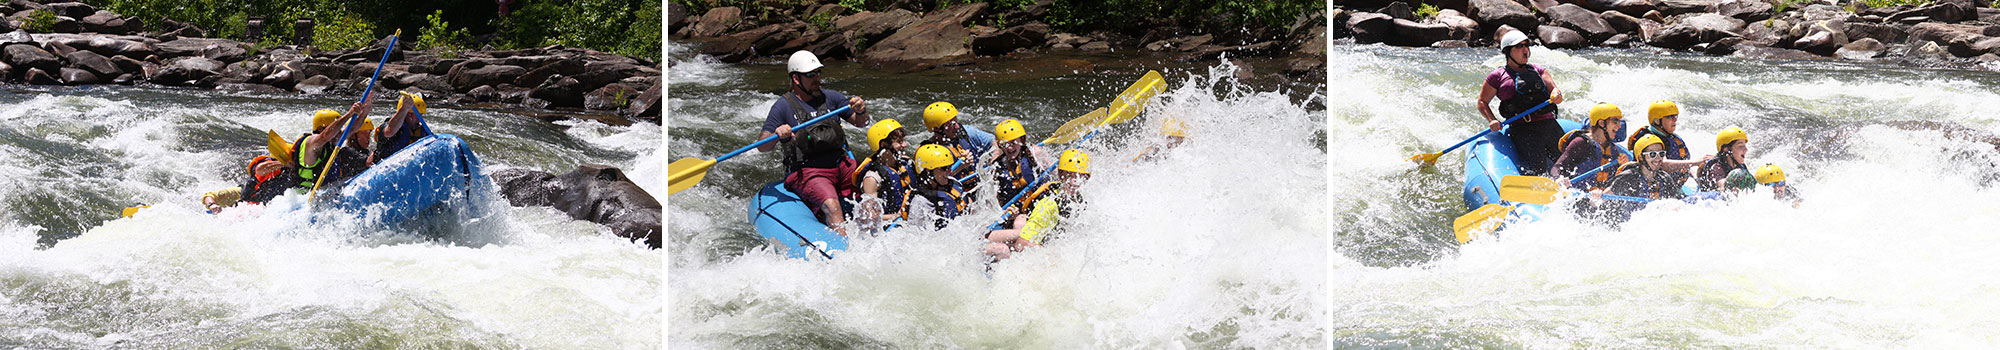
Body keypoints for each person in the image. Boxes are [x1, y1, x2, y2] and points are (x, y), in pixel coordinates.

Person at [759, 51, 872, 235]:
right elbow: (762, 146)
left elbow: (861, 122)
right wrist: (778, 133)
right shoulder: (783, 106)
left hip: (840, 164)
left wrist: (861, 110)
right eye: (811, 75)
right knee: (832, 206)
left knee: (871, 186)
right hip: (808, 171)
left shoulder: (832, 98)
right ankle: (847, 252)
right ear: (796, 78)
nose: (817, 79)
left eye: (818, 73)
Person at [1477, 29, 1566, 176]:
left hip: (1548, 125)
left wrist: (1557, 95)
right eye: (1519, 46)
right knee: (1538, 170)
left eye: (1526, 45)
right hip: (1523, 129)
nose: (1525, 49)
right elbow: (1482, 102)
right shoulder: (1497, 76)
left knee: (1568, 164)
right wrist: (1492, 120)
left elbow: (1556, 91)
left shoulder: (1538, 70)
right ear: (1508, 51)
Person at [984, 149, 1090, 261]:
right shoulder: (1049, 205)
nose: (1073, 181)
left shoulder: (1082, 201)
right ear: (1060, 175)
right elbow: (1022, 245)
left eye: (1078, 176)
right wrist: (1054, 256)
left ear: (1087, 178)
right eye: (1068, 175)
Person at [290, 103, 375, 194]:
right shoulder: (310, 143)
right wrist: (349, 114)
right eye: (336, 128)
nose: (339, 132)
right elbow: (324, 136)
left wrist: (364, 112)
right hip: (303, 197)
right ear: (320, 129)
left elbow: (352, 129)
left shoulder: (330, 142)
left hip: (323, 194)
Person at [1626, 100, 1711, 186]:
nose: (1675, 120)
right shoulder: (1649, 140)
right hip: (1650, 189)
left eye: (1676, 116)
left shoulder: (1671, 138)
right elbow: (1663, 165)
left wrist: (1696, 177)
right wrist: (1695, 162)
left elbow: (1681, 164)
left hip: (1672, 188)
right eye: (1670, 117)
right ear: (1657, 121)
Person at [855, 119, 917, 233]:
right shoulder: (872, 178)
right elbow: (869, 217)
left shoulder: (906, 163)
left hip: (909, 222)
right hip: (889, 229)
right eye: (899, 142)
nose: (905, 145)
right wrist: (897, 216)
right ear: (884, 145)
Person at [1551, 103, 1630, 191]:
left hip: (1598, 198)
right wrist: (1560, 178)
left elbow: (1613, 180)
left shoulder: (1613, 149)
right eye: (1615, 121)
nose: (1619, 126)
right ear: (1601, 123)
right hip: (1577, 196)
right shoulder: (1581, 143)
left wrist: (1621, 167)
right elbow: (1557, 167)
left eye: (1619, 121)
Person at [921, 101, 995, 177]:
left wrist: (993, 162)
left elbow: (996, 142)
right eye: (951, 124)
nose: (957, 126)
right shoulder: (928, 152)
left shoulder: (967, 132)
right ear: (937, 129)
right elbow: (935, 180)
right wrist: (961, 166)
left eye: (956, 121)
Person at [201, 155, 296, 213]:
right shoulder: (237, 196)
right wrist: (212, 206)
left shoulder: (237, 193)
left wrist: (284, 164)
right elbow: (208, 196)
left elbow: (260, 170)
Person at [911, 144, 967, 230]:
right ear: (928, 171)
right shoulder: (920, 202)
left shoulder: (954, 183)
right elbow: (915, 238)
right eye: (945, 168)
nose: (950, 171)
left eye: (949, 167)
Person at [990, 119, 1041, 203]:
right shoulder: (997, 167)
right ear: (1000, 145)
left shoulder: (1035, 153)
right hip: (1017, 212)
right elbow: (996, 203)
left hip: (1043, 205)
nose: (1010, 148)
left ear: (1021, 140)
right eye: (1005, 144)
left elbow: (1058, 173)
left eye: (1013, 142)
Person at [372, 91, 432, 162]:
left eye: (421, 115)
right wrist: (404, 108)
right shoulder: (389, 126)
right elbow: (389, 131)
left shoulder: (422, 131)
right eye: (418, 115)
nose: (420, 119)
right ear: (407, 114)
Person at [1696, 127, 1750, 192]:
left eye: (1745, 145)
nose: (1746, 150)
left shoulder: (1741, 166)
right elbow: (1722, 184)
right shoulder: (1716, 168)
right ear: (1726, 149)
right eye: (1740, 146)